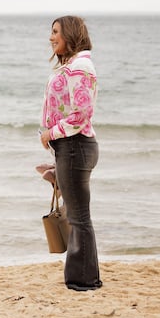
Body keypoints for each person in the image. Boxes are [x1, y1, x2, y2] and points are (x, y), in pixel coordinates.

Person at [38, 15, 101, 291]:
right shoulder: (73, 65)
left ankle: (83, 281)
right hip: (70, 148)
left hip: (75, 147)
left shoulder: (80, 66)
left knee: (78, 218)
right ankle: (85, 278)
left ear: (70, 34)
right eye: (51, 32)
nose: (51, 37)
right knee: (76, 214)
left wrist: (50, 134)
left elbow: (81, 115)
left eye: (55, 32)